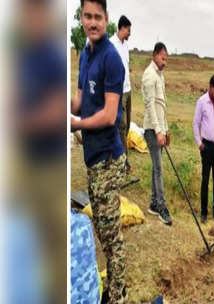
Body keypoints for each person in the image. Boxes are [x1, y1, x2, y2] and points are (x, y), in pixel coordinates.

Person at [70, 0, 127, 302]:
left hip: (107, 158)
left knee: (110, 235)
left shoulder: (111, 59)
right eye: (87, 16)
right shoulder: (85, 55)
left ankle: (116, 295)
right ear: (81, 18)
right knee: (104, 231)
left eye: (98, 17)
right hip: (92, 159)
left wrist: (75, 125)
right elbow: (79, 102)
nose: (92, 22)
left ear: (108, 21)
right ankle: (115, 288)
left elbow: (109, 115)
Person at [142, 42, 172, 225]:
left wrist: (166, 129)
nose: (165, 62)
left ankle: (153, 204)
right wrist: (158, 131)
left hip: (159, 129)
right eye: (163, 58)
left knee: (156, 168)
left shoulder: (160, 76)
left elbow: (162, 106)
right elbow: (150, 106)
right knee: (159, 168)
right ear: (155, 55)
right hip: (151, 130)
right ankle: (161, 206)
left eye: (166, 59)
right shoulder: (149, 75)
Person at [193, 75, 214, 223]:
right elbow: (195, 124)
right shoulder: (201, 102)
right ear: (210, 87)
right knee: (205, 179)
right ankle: (204, 212)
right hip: (206, 146)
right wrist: (199, 143)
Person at [110, 15, 132, 173]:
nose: (130, 33)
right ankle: (123, 162)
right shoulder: (111, 44)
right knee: (121, 126)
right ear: (122, 28)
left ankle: (119, 154)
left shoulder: (126, 46)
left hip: (128, 89)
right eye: (129, 30)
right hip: (118, 91)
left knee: (127, 125)